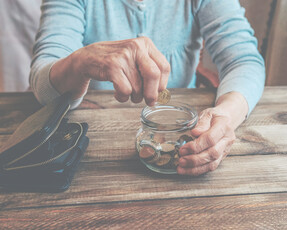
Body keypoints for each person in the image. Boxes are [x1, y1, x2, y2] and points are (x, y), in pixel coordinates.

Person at [30, 0, 265, 176]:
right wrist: (79, 62)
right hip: (87, 153)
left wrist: (226, 114)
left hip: (185, 133)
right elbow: (42, 82)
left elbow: (244, 60)